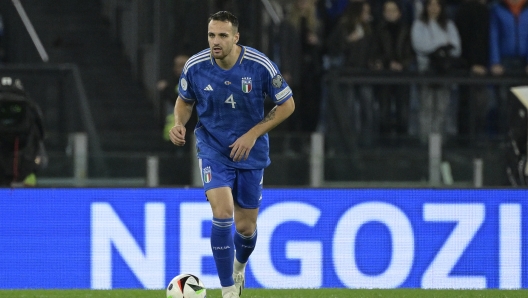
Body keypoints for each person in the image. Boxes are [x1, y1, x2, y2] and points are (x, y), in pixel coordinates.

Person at [168, 11, 295, 298]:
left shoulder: (259, 65)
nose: (216, 41)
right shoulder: (196, 66)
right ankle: (228, 291)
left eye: (223, 35)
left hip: (251, 151)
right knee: (222, 213)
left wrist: (252, 134)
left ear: (236, 38)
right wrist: (178, 124)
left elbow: (287, 105)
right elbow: (184, 101)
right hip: (212, 148)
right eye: (212, 35)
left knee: (246, 228)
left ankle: (239, 266)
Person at [411, 0, 461, 143]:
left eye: (436, 5)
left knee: (442, 107)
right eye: (430, 5)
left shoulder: (449, 25)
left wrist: (440, 50)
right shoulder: (419, 25)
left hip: (444, 72)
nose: (433, 8)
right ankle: (425, 140)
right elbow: (419, 45)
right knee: (426, 107)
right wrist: (440, 46)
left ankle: (440, 141)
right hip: (425, 70)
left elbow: (456, 48)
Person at [372, 0, 415, 137]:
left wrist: (402, 64)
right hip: (384, 75)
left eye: (393, 10)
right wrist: (385, 63)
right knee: (383, 111)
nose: (390, 14)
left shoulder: (407, 29)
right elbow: (375, 51)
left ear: (399, 13)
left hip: (403, 75)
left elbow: (411, 52)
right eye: (387, 11)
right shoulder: (378, 30)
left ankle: (402, 142)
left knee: (403, 111)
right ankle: (383, 144)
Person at [489, 0, 528, 76]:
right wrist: (495, 62)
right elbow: (493, 37)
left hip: (525, 60)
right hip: (504, 60)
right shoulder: (497, 9)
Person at [158, 54, 191, 141]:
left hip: (187, 130)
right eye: (176, 65)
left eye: (181, 65)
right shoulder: (174, 82)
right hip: (171, 129)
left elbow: (180, 101)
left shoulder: (191, 84)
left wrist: (166, 89)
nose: (177, 68)